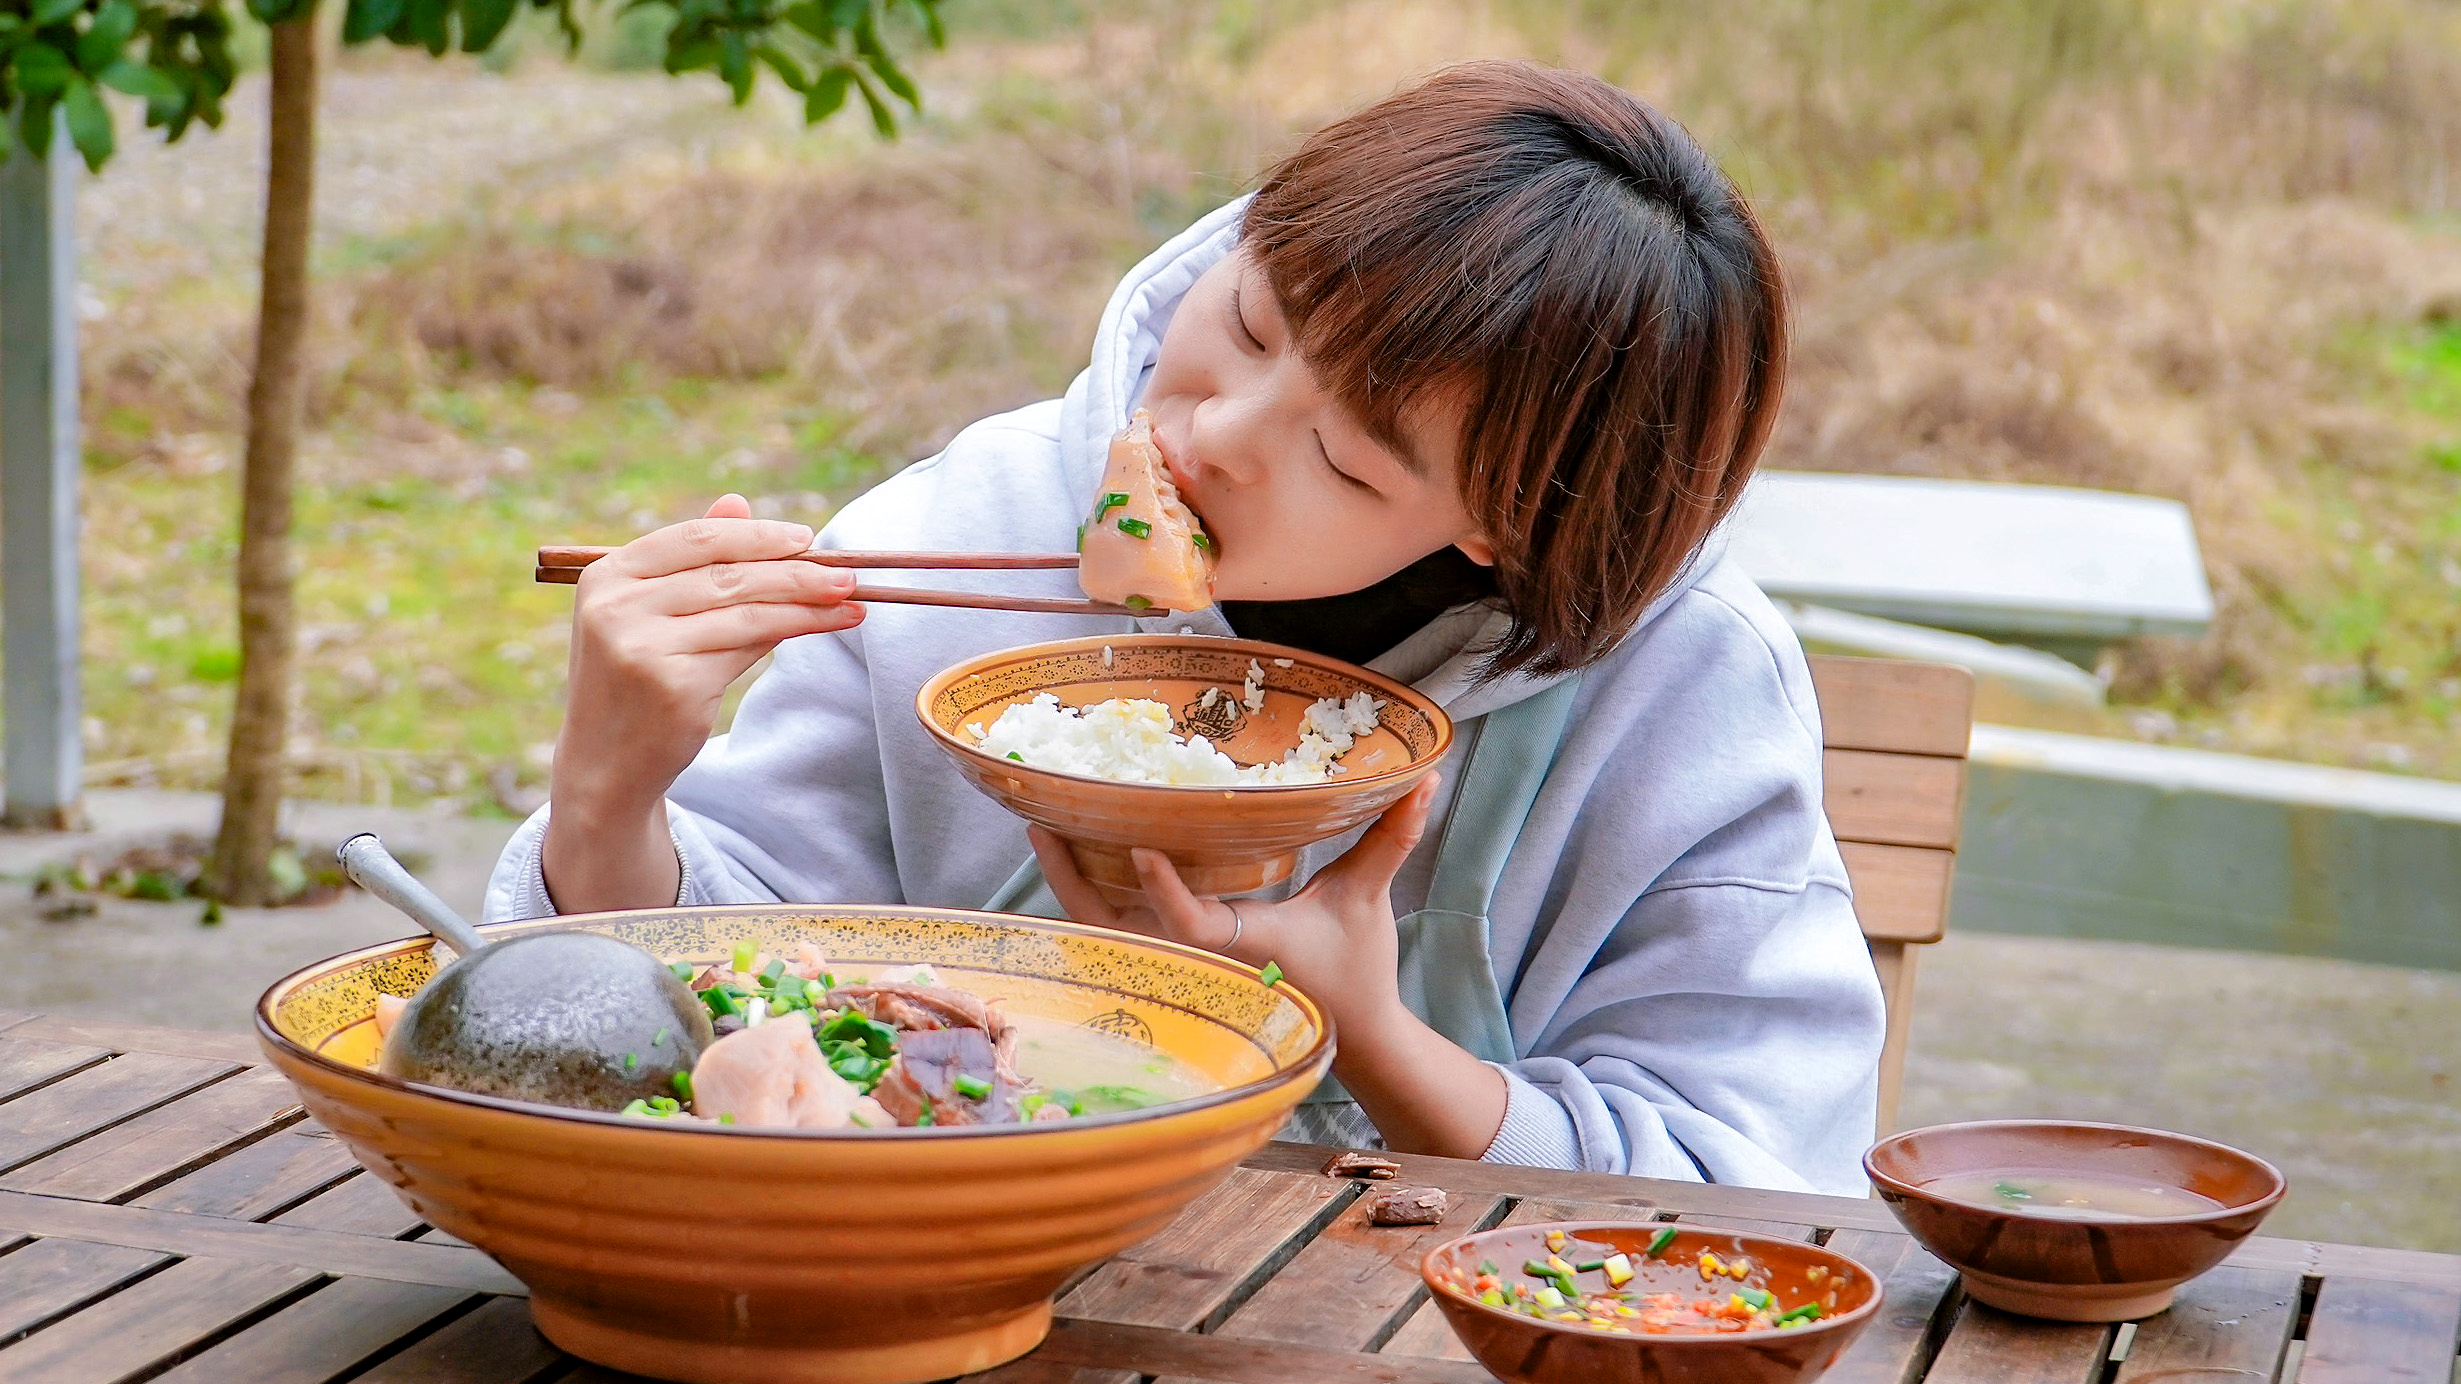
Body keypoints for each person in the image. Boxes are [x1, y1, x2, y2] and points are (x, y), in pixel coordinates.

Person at [486, 60, 1886, 1195]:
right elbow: (680, 1046)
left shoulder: (1681, 681)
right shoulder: (960, 525)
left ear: (1504, 523)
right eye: (1250, 323)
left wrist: (1377, 1038)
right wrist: (606, 792)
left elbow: (1752, 1187)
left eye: (1345, 462)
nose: (1207, 432)